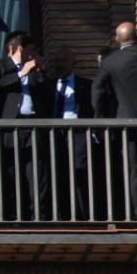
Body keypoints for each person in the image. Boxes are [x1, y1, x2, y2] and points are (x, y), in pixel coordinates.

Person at [93, 10, 137, 219]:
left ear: (117, 40)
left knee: (136, 169)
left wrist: (99, 118)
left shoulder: (110, 62)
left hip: (128, 124)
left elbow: (97, 90)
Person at [0, 31, 54, 220]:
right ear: (20, 49)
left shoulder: (33, 71)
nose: (34, 55)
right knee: (10, 171)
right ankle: (13, 215)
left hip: (32, 126)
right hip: (8, 128)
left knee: (37, 172)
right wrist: (22, 72)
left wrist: (41, 76)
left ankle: (39, 214)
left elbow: (48, 96)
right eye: (32, 50)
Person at [46, 45, 97, 221]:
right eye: (56, 61)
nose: (59, 64)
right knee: (56, 173)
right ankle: (61, 215)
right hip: (53, 134)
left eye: (63, 61)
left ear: (73, 64)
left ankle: (83, 215)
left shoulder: (87, 85)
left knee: (79, 173)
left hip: (78, 134)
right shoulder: (46, 85)